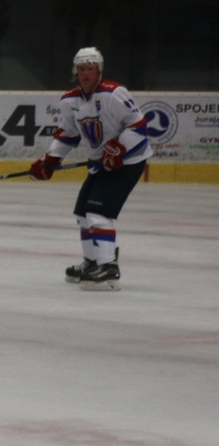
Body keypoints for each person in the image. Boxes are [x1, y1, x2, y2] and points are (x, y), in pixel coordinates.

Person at [29, 46, 152, 291]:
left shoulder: (114, 93)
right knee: (83, 214)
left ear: (99, 71)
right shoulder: (69, 100)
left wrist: (119, 148)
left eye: (90, 68)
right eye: (81, 69)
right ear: (75, 71)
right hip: (100, 163)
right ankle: (92, 262)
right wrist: (50, 160)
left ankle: (108, 267)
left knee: (99, 213)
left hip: (128, 161)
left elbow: (138, 125)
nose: (85, 73)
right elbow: (68, 133)